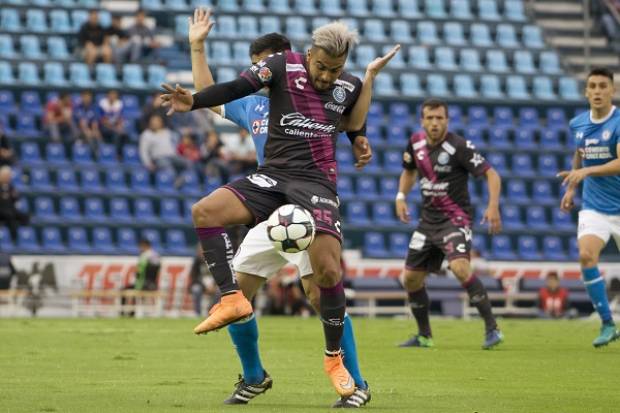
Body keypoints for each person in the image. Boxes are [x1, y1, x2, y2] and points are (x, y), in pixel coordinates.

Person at [163, 13, 398, 399]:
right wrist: (196, 62)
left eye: (333, 69)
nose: (325, 76)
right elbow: (223, 90)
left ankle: (352, 380)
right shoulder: (254, 103)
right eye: (257, 66)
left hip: (311, 197)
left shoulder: (335, 86)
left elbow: (352, 122)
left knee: (323, 283)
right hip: (272, 193)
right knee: (230, 264)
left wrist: (360, 136)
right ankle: (252, 371)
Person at [395, 98, 504, 350]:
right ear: (422, 120)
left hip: (455, 220)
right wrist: (401, 196)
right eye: (430, 118)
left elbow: (491, 173)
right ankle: (424, 336)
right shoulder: (415, 143)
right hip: (427, 222)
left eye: (439, 118)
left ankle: (492, 328)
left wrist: (493, 205)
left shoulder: (459, 146)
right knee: (410, 279)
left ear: (447, 120)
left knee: (459, 267)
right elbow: (409, 171)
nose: (434, 123)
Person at [558, 66, 620, 347]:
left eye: (602, 86)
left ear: (612, 90)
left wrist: (586, 173)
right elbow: (580, 153)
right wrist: (572, 186)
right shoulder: (578, 123)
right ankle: (608, 324)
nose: (597, 91)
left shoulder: (618, 121)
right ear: (586, 91)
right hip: (595, 207)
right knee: (586, 256)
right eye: (592, 86)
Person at [121, 238, 160, 316]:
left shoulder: (146, 256)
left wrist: (139, 275)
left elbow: (142, 272)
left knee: (126, 289)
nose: (139, 249)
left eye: (140, 247)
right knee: (131, 289)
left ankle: (126, 312)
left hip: (146, 283)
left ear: (144, 246)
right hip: (150, 283)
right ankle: (130, 312)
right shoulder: (154, 255)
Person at [0, 166, 29, 241]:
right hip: (2, 210)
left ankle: (24, 237)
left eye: (8, 176)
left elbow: (16, 198)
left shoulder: (11, 187)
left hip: (11, 209)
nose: (8, 177)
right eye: (6, 176)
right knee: (10, 217)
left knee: (25, 216)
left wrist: (14, 196)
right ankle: (13, 239)